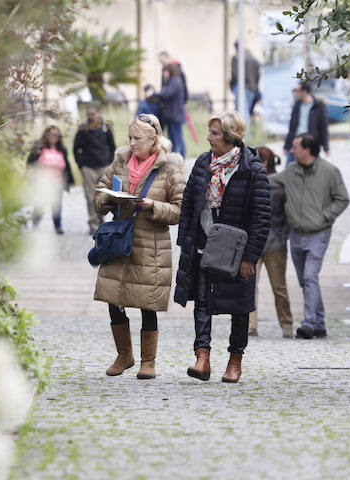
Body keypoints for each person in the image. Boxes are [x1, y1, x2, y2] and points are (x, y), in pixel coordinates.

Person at [174, 111, 270, 383]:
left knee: (239, 307)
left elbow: (262, 217)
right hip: (204, 247)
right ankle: (201, 358)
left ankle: (234, 361)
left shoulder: (252, 169)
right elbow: (189, 205)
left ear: (230, 137)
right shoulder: (204, 162)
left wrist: (250, 256)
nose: (208, 138)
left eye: (214, 134)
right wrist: (186, 243)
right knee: (202, 302)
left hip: (237, 253)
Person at [92, 113, 186, 380]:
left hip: (150, 246)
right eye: (130, 137)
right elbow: (100, 191)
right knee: (113, 298)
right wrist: (109, 199)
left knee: (147, 303)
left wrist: (152, 206)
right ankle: (124, 355)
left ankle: (148, 361)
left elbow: (181, 210)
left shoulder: (169, 169)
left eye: (138, 138)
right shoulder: (120, 162)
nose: (132, 143)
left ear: (153, 140)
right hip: (118, 241)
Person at [269, 133, 349, 339]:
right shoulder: (291, 171)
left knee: (310, 277)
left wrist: (325, 216)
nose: (292, 150)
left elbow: (342, 199)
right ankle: (319, 323)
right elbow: (269, 181)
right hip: (296, 234)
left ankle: (309, 323)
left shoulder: (330, 172)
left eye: (296, 147)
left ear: (308, 150)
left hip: (318, 234)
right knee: (306, 281)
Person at [248, 146, 294, 338]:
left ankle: (286, 323)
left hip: (273, 242)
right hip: (259, 242)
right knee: (251, 285)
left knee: (277, 286)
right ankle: (251, 325)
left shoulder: (278, 186)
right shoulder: (252, 182)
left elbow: (287, 214)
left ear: (264, 162)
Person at [73, 104, 116, 235]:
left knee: (103, 195)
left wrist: (109, 163)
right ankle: (93, 223)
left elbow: (112, 147)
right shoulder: (83, 129)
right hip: (88, 167)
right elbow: (76, 148)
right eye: (88, 114)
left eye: (93, 113)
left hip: (103, 166)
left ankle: (101, 218)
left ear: (99, 113)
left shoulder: (105, 128)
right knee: (89, 196)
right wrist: (81, 164)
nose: (90, 116)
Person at [26, 124, 74, 234]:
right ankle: (35, 223)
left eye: (56, 136)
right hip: (42, 182)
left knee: (56, 205)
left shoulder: (62, 149)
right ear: (46, 136)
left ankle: (58, 226)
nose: (54, 138)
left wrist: (69, 181)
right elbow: (29, 163)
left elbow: (66, 166)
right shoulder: (39, 148)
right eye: (51, 135)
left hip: (57, 182)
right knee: (40, 204)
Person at [283, 81, 330, 166]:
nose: (295, 93)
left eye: (297, 90)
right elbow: (292, 128)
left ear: (304, 92)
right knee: (288, 170)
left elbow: (324, 128)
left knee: (311, 172)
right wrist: (286, 146)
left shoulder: (319, 106)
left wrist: (326, 147)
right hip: (295, 143)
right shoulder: (296, 106)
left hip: (310, 144)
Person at [152, 62, 187, 157]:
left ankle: (182, 157)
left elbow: (166, 94)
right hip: (173, 116)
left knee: (177, 138)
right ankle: (173, 157)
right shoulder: (174, 81)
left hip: (175, 116)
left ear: (169, 71)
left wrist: (154, 94)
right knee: (173, 139)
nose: (164, 75)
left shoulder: (175, 81)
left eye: (165, 72)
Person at [230, 41, 261, 116]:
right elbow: (258, 75)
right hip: (252, 88)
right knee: (245, 112)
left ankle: (243, 128)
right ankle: (245, 127)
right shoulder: (253, 59)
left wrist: (231, 85)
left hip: (241, 87)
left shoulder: (236, 58)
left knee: (242, 113)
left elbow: (234, 75)